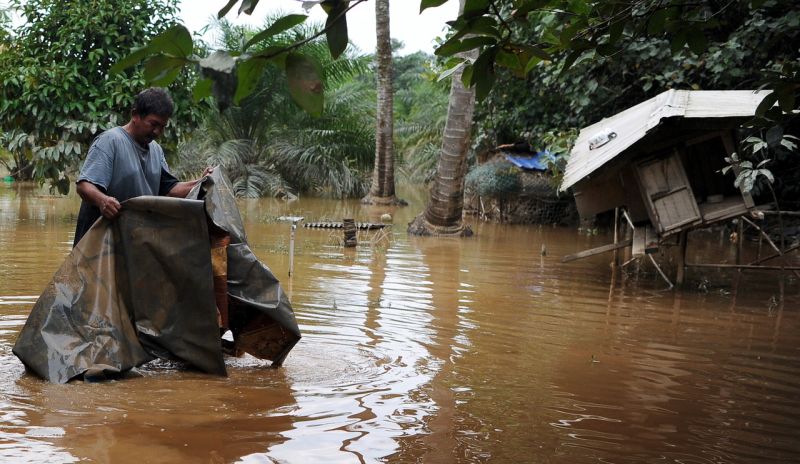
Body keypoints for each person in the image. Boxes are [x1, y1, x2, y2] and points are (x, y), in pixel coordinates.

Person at [73, 87, 212, 246]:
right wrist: (102, 200)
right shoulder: (110, 141)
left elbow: (170, 189)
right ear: (135, 115)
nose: (157, 131)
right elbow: (84, 186)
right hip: (97, 245)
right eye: (153, 124)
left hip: (132, 245)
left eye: (163, 126)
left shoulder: (156, 150)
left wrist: (202, 182)